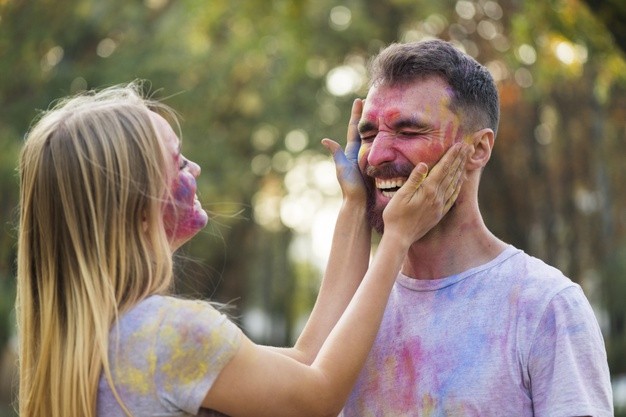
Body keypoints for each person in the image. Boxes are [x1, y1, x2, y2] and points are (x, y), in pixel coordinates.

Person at [15, 81, 470, 417]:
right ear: (133, 204)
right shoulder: (166, 336)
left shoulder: (96, 336)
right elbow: (317, 397)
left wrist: (355, 205)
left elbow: (308, 359)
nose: (193, 167)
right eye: (176, 162)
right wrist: (396, 239)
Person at [337, 39, 614, 416]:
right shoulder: (352, 308)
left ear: (479, 149)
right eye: (368, 135)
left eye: (409, 131)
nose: (377, 155)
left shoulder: (545, 305)